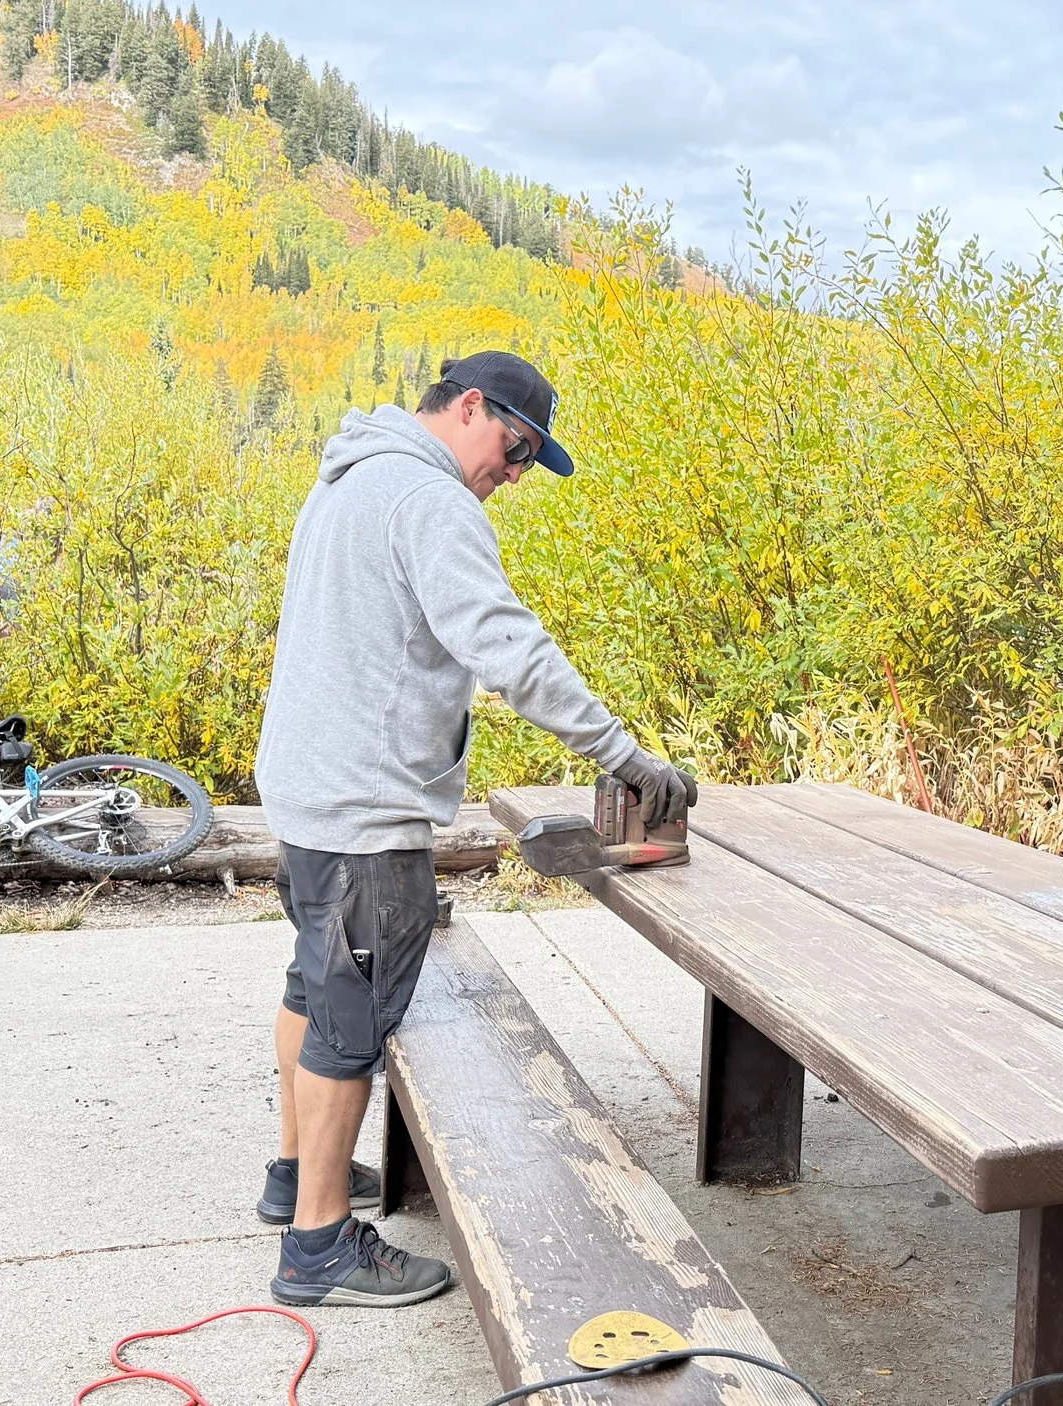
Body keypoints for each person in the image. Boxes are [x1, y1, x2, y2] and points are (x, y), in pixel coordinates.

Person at [249, 350, 696, 1308]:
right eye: (515, 445)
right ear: (465, 408)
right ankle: (319, 1245)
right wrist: (625, 758)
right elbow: (508, 648)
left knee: (315, 984)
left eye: (532, 459)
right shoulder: (431, 499)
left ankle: (295, 1177)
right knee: (352, 1021)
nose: (515, 472)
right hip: (366, 810)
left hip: (309, 793)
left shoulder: (349, 479)